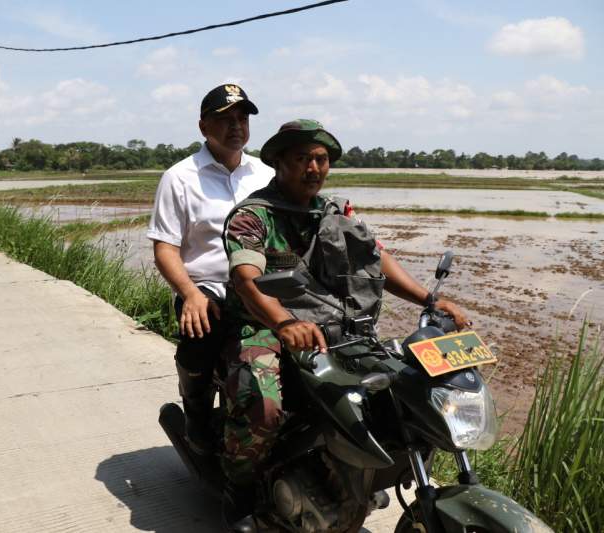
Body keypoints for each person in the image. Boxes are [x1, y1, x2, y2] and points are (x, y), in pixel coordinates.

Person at [220, 119, 470, 530]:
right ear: (279, 162)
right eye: (302, 158)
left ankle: (354, 473)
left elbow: (377, 261)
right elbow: (246, 279)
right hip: (263, 326)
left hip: (335, 329)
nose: (313, 168)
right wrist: (283, 322)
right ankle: (241, 486)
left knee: (401, 392)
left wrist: (432, 299)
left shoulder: (336, 212)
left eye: (320, 159)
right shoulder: (252, 216)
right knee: (262, 406)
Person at [147, 84, 274, 459]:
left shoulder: (266, 175)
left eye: (242, 118)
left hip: (263, 286)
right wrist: (189, 293)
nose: (236, 126)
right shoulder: (180, 177)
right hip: (208, 287)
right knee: (202, 330)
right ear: (204, 127)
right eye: (225, 120)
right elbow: (165, 247)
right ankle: (196, 409)